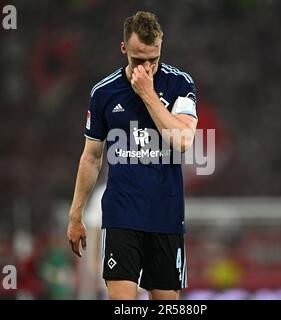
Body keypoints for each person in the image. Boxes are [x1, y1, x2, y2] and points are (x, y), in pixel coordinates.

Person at [67, 11, 198, 300]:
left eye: (153, 59)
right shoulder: (104, 92)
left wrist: (148, 94)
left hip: (166, 216)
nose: (147, 67)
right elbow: (91, 157)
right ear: (124, 48)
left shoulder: (180, 84)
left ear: (161, 46)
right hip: (121, 215)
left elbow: (184, 141)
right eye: (139, 60)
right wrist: (76, 214)